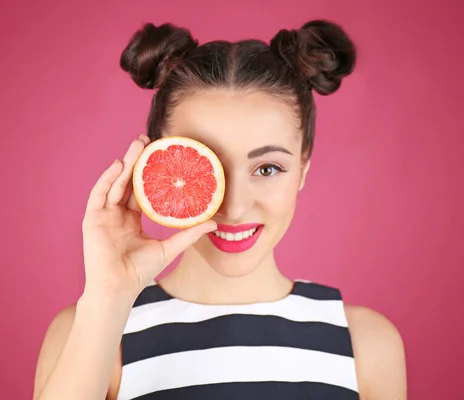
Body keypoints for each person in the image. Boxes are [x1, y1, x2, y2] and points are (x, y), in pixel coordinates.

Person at [32, 19, 407, 400]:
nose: (233, 206)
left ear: (303, 170)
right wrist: (109, 295)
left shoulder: (366, 345)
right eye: (207, 164)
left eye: (267, 168)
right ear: (161, 166)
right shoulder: (91, 333)